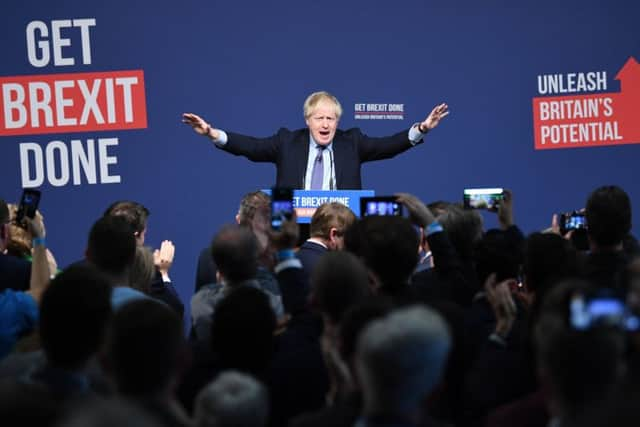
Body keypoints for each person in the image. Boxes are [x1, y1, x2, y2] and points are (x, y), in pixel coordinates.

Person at [183, 91, 449, 189]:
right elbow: (252, 147)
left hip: (340, 230)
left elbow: (387, 146)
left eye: (331, 119)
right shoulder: (287, 141)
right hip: (295, 231)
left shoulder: (352, 142)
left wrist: (422, 128)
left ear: (338, 122)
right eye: (319, 118)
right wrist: (211, 133)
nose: (325, 124)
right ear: (307, 120)